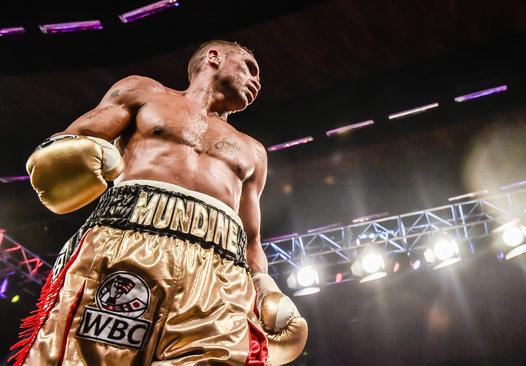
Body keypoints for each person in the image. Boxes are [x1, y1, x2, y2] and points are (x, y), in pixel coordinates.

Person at [10, 40, 307, 366]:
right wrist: (67, 154)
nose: (257, 81)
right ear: (214, 57)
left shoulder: (254, 151)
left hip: (220, 272)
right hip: (129, 244)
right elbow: (75, 138)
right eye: (249, 67)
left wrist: (264, 286)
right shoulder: (145, 92)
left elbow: (251, 238)